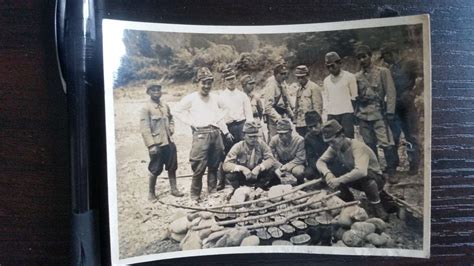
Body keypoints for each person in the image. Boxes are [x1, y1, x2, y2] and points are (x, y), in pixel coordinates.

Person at [173, 67, 233, 201]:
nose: (206, 86)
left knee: (214, 164)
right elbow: (176, 111)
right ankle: (195, 195)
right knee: (198, 166)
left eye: (209, 83)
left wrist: (217, 118)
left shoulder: (215, 98)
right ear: (198, 83)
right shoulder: (191, 98)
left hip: (215, 133)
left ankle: (212, 191)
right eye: (203, 83)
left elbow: (226, 108)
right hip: (200, 134)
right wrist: (191, 122)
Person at [316, 120, 388, 220]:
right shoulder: (335, 147)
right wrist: (328, 174)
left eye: (332, 141)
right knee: (333, 170)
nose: (331, 145)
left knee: (365, 177)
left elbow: (361, 171)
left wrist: (338, 180)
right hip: (358, 178)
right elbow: (320, 161)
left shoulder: (358, 147)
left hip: (375, 179)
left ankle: (377, 204)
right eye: (328, 143)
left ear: (341, 136)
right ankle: (348, 200)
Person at [353, 45, 398, 175]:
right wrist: (355, 113)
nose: (362, 60)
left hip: (379, 112)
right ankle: (375, 170)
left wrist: (390, 111)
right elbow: (354, 97)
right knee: (368, 143)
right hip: (362, 114)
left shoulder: (382, 72)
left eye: (364, 56)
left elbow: (391, 92)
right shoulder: (356, 77)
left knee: (386, 142)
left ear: (370, 56)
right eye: (359, 58)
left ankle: (391, 170)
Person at [381, 42, 422, 176]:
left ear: (392, 53)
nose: (385, 60)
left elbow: (422, 78)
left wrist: (413, 93)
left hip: (408, 106)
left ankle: (413, 165)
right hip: (395, 106)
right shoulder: (390, 68)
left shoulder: (410, 63)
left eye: (385, 56)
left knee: (411, 136)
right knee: (393, 137)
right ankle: (393, 164)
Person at [140, 84, 184, 201]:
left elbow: (171, 119)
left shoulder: (165, 106)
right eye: (153, 90)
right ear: (148, 92)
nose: (156, 92)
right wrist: (151, 145)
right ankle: (151, 193)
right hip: (157, 144)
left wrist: (172, 128)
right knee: (155, 168)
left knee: (172, 166)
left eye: (158, 90)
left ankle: (174, 189)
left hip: (169, 142)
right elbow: (145, 129)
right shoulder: (146, 108)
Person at [222, 121, 279, 190]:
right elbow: (226, 165)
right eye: (250, 137)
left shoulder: (261, 144)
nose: (253, 139)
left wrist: (259, 167)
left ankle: (260, 187)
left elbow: (270, 159)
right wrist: (242, 168)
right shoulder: (238, 146)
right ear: (244, 136)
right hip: (243, 175)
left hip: (257, 174)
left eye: (255, 136)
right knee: (230, 175)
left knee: (273, 169)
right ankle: (239, 189)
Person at [323, 51, 358, 138]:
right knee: (333, 139)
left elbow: (354, 97)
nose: (331, 69)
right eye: (328, 67)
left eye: (333, 66)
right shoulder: (326, 81)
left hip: (346, 114)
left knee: (348, 139)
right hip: (332, 114)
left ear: (339, 63)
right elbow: (327, 99)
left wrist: (352, 115)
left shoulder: (349, 77)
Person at [219, 66, 254, 152]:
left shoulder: (242, 95)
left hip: (242, 127)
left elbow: (249, 114)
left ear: (236, 79)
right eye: (228, 80)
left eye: (232, 79)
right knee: (229, 153)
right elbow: (219, 117)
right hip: (229, 128)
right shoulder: (220, 97)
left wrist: (248, 130)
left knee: (244, 151)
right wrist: (226, 132)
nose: (231, 82)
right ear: (224, 81)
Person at [269, 119, 306, 185]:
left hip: (295, 164)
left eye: (286, 133)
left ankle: (300, 184)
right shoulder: (274, 140)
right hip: (280, 164)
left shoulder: (299, 140)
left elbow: (300, 158)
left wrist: (286, 167)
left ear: (291, 131)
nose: (283, 136)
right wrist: (279, 166)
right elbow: (270, 156)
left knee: (298, 172)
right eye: (281, 134)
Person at [263, 63, 294, 138]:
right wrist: (278, 119)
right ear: (276, 74)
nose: (284, 76)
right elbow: (268, 107)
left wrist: (291, 114)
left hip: (282, 113)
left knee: (286, 137)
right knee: (275, 138)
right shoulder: (271, 85)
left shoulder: (282, 83)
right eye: (282, 74)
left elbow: (286, 100)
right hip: (274, 117)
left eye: (285, 74)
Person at [293, 65, 323, 137]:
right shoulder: (299, 90)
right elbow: (297, 107)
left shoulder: (314, 88)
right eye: (298, 77)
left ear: (307, 76)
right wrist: (295, 119)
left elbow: (318, 108)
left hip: (310, 124)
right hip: (300, 124)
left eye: (302, 77)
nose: (300, 80)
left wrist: (316, 124)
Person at [303, 111, 328, 180]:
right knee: (308, 174)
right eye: (310, 127)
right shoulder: (308, 138)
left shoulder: (329, 131)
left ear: (321, 123)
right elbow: (310, 157)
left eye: (315, 125)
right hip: (319, 163)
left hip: (332, 161)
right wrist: (321, 168)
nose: (313, 129)